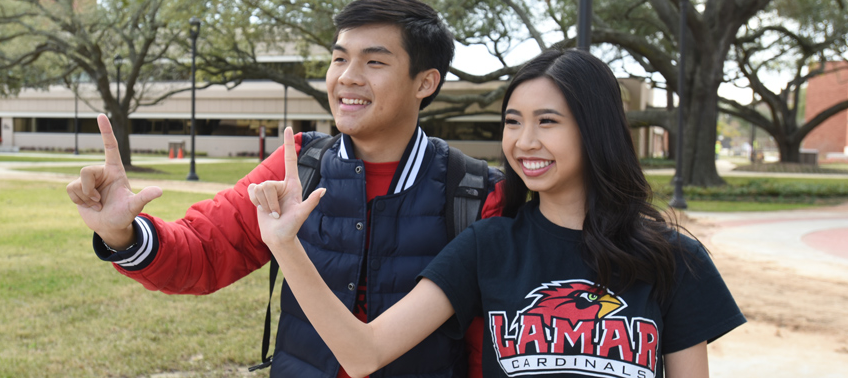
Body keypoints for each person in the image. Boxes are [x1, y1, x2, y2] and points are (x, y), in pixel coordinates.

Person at [66, 0, 504, 378]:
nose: (347, 77)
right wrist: (122, 233)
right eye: (339, 58)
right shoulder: (300, 164)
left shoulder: (476, 191)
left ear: (425, 82)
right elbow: (205, 250)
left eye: (374, 61)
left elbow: (489, 346)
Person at [247, 49, 745, 378]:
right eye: (513, 122)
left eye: (547, 122)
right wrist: (285, 246)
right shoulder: (489, 245)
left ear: (596, 130)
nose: (524, 142)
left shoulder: (674, 258)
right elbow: (363, 354)